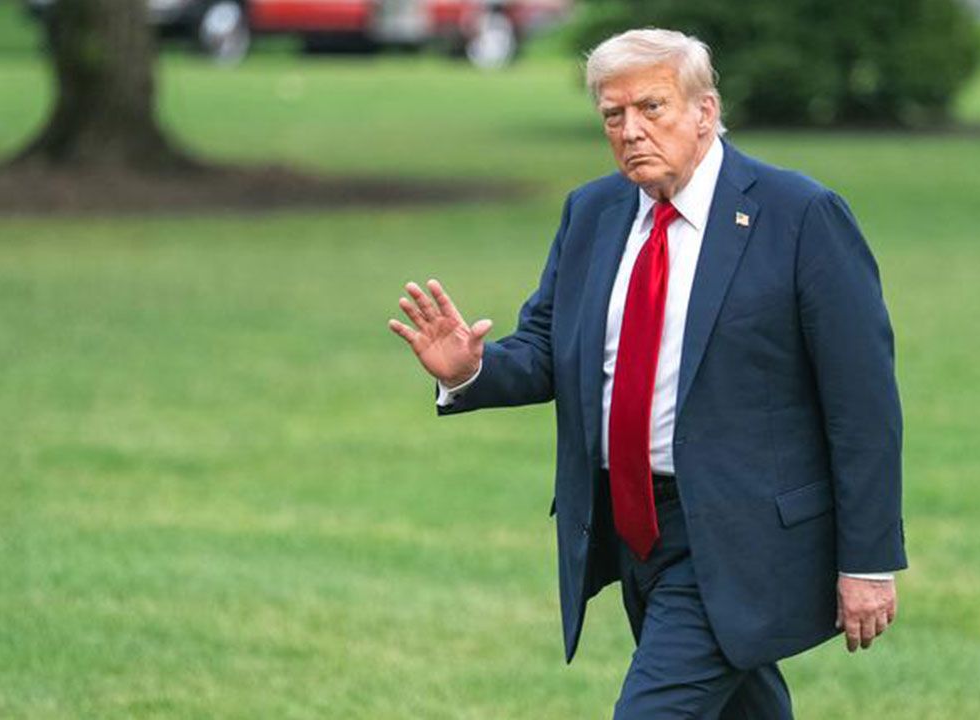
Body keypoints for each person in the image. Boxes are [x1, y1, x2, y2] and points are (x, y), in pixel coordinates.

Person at [388, 28, 906, 719]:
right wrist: (473, 370)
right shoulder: (593, 212)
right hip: (631, 525)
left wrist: (867, 561)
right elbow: (549, 349)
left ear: (705, 111)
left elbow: (863, 403)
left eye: (651, 107)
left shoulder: (799, 216)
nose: (630, 130)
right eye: (613, 114)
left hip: (737, 533)